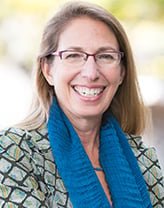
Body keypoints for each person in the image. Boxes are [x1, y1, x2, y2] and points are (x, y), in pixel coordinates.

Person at [0, 1, 163, 207]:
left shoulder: (143, 159)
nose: (91, 73)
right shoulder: (14, 151)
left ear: (122, 72)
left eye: (105, 56)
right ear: (48, 70)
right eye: (73, 55)